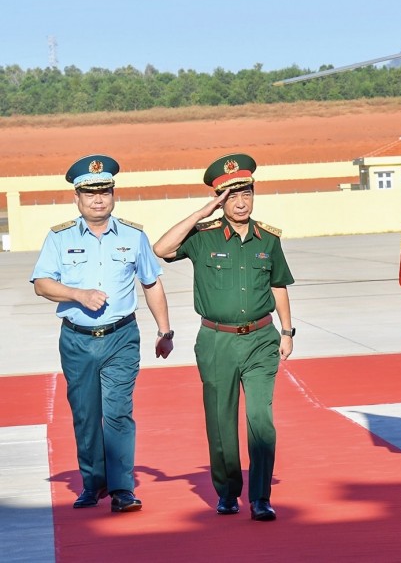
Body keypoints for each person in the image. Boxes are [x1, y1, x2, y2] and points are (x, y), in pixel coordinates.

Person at [152, 153, 294, 521]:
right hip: (216, 341)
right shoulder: (204, 237)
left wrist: (288, 330)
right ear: (220, 199)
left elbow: (278, 284)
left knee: (261, 420)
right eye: (231, 196)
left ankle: (260, 497)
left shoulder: (269, 240)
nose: (241, 201)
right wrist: (202, 213)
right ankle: (228, 491)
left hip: (262, 339)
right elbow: (161, 249)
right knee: (220, 420)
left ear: (254, 193)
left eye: (246, 193)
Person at [30, 154, 174, 513]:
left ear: (113, 195)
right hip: (77, 339)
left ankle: (123, 488)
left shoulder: (134, 235)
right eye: (90, 193)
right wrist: (77, 294)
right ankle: (93, 483)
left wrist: (164, 329)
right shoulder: (59, 237)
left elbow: (151, 282)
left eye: (105, 192)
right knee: (85, 413)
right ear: (77, 198)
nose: (99, 199)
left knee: (118, 412)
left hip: (121, 337)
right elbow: (42, 283)